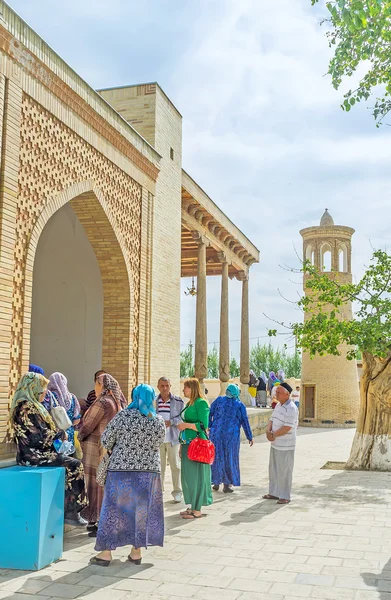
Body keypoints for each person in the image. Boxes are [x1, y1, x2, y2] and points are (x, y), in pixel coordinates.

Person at [90, 384, 165, 567]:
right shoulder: (157, 420)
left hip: (120, 471)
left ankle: (106, 553)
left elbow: (106, 440)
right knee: (141, 512)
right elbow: (160, 441)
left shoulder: (123, 416)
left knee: (114, 510)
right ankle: (136, 552)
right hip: (148, 473)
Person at [10, 372, 87, 526]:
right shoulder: (26, 407)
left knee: (72, 465)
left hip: (41, 452)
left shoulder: (33, 406)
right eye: (41, 390)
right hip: (33, 455)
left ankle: (70, 510)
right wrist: (60, 434)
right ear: (33, 389)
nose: (45, 393)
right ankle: (71, 511)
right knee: (75, 465)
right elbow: (37, 436)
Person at [78, 373, 124, 536]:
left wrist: (79, 436)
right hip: (107, 448)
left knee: (95, 484)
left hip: (96, 448)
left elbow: (89, 424)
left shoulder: (103, 402)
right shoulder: (115, 401)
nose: (95, 388)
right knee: (103, 483)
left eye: (97, 384)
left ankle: (98, 521)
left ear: (101, 385)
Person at [177, 378, 213, 519]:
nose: (183, 390)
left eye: (185, 388)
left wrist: (186, 426)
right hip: (187, 443)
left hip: (198, 445)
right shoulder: (189, 403)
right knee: (188, 476)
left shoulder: (201, 403)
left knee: (197, 476)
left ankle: (197, 509)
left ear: (192, 388)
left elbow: (203, 425)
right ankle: (192, 505)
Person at [209, 383, 253, 493]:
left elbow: (209, 413)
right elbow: (245, 421)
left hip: (216, 434)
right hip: (231, 436)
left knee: (217, 457)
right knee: (229, 458)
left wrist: (210, 426)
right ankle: (227, 485)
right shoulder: (239, 405)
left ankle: (216, 482)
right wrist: (249, 436)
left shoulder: (219, 400)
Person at [263, 382, 298, 505]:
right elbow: (271, 420)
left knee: (285, 471)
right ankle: (274, 492)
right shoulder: (278, 405)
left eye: (279, 392)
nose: (276, 394)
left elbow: (287, 427)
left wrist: (274, 434)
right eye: (276, 392)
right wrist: (268, 431)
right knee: (273, 469)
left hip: (286, 445)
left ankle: (284, 496)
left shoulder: (292, 408)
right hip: (275, 443)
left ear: (287, 394)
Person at [156, 377, 184, 503]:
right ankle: (159, 491)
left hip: (172, 438)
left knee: (175, 466)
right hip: (158, 440)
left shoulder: (178, 401)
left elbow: (182, 418)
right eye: (162, 386)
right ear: (158, 387)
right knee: (159, 467)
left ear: (170, 386)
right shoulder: (154, 401)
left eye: (167, 385)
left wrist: (171, 422)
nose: (165, 388)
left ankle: (177, 492)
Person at [48, 373, 81, 446]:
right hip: (69, 435)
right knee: (68, 456)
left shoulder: (49, 396)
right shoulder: (72, 397)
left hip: (54, 434)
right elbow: (77, 420)